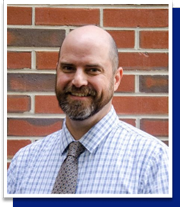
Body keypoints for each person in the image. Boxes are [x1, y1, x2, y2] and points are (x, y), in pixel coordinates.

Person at [7, 25, 169, 194]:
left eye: (92, 70)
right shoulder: (24, 163)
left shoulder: (153, 162)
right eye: (68, 68)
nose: (78, 81)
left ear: (116, 79)